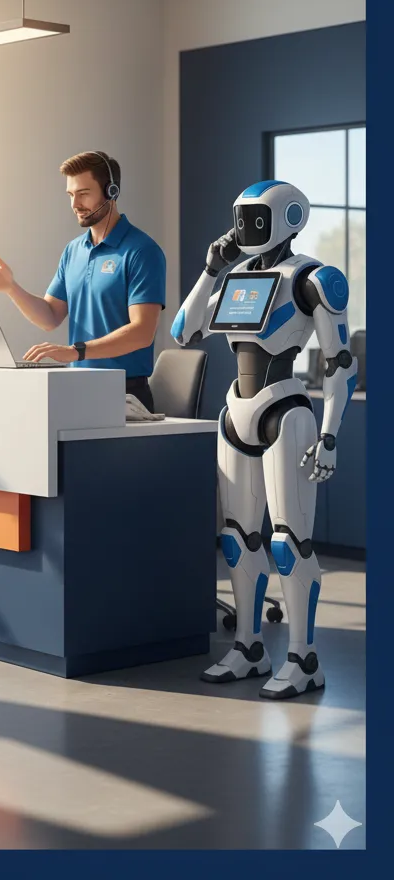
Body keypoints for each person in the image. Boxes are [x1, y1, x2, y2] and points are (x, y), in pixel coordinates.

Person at [172, 180, 356, 698]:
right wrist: (211, 268)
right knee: (236, 537)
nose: (244, 229)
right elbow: (183, 333)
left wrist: (330, 435)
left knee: (288, 542)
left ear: (287, 217)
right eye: (241, 218)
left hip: (285, 412)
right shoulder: (234, 278)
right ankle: (249, 646)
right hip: (236, 411)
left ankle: (304, 657)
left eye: (255, 218)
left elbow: (341, 363)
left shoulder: (314, 279)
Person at [0, 151, 166, 412]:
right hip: (78, 388)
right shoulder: (73, 250)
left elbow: (143, 332)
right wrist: (11, 288)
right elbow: (50, 317)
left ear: (111, 191)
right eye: (70, 195)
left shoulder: (142, 251)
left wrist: (77, 351)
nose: (75, 203)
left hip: (125, 394)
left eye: (84, 193)